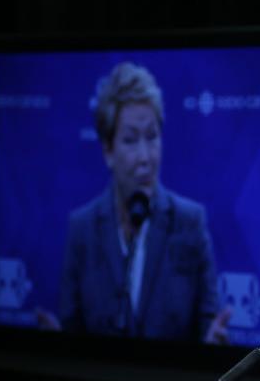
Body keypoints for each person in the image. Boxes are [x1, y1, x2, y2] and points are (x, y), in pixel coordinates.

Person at [39, 62, 231, 343]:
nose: (145, 157)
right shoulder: (82, 227)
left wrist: (214, 344)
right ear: (107, 150)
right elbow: (73, 333)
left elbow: (207, 326)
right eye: (130, 140)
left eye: (152, 137)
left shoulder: (190, 221)